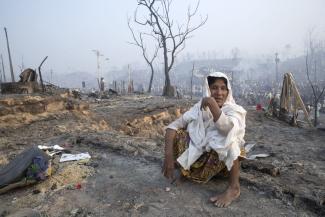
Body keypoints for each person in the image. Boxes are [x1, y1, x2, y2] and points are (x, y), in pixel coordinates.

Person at [162, 72, 246, 207]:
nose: (219, 92)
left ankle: (234, 188)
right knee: (180, 134)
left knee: (229, 139)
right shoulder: (199, 108)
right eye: (214, 87)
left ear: (228, 91)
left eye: (223, 88)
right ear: (208, 89)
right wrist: (169, 157)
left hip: (222, 161)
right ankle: (187, 173)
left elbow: (227, 129)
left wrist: (212, 105)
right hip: (201, 156)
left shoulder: (234, 110)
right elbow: (172, 127)